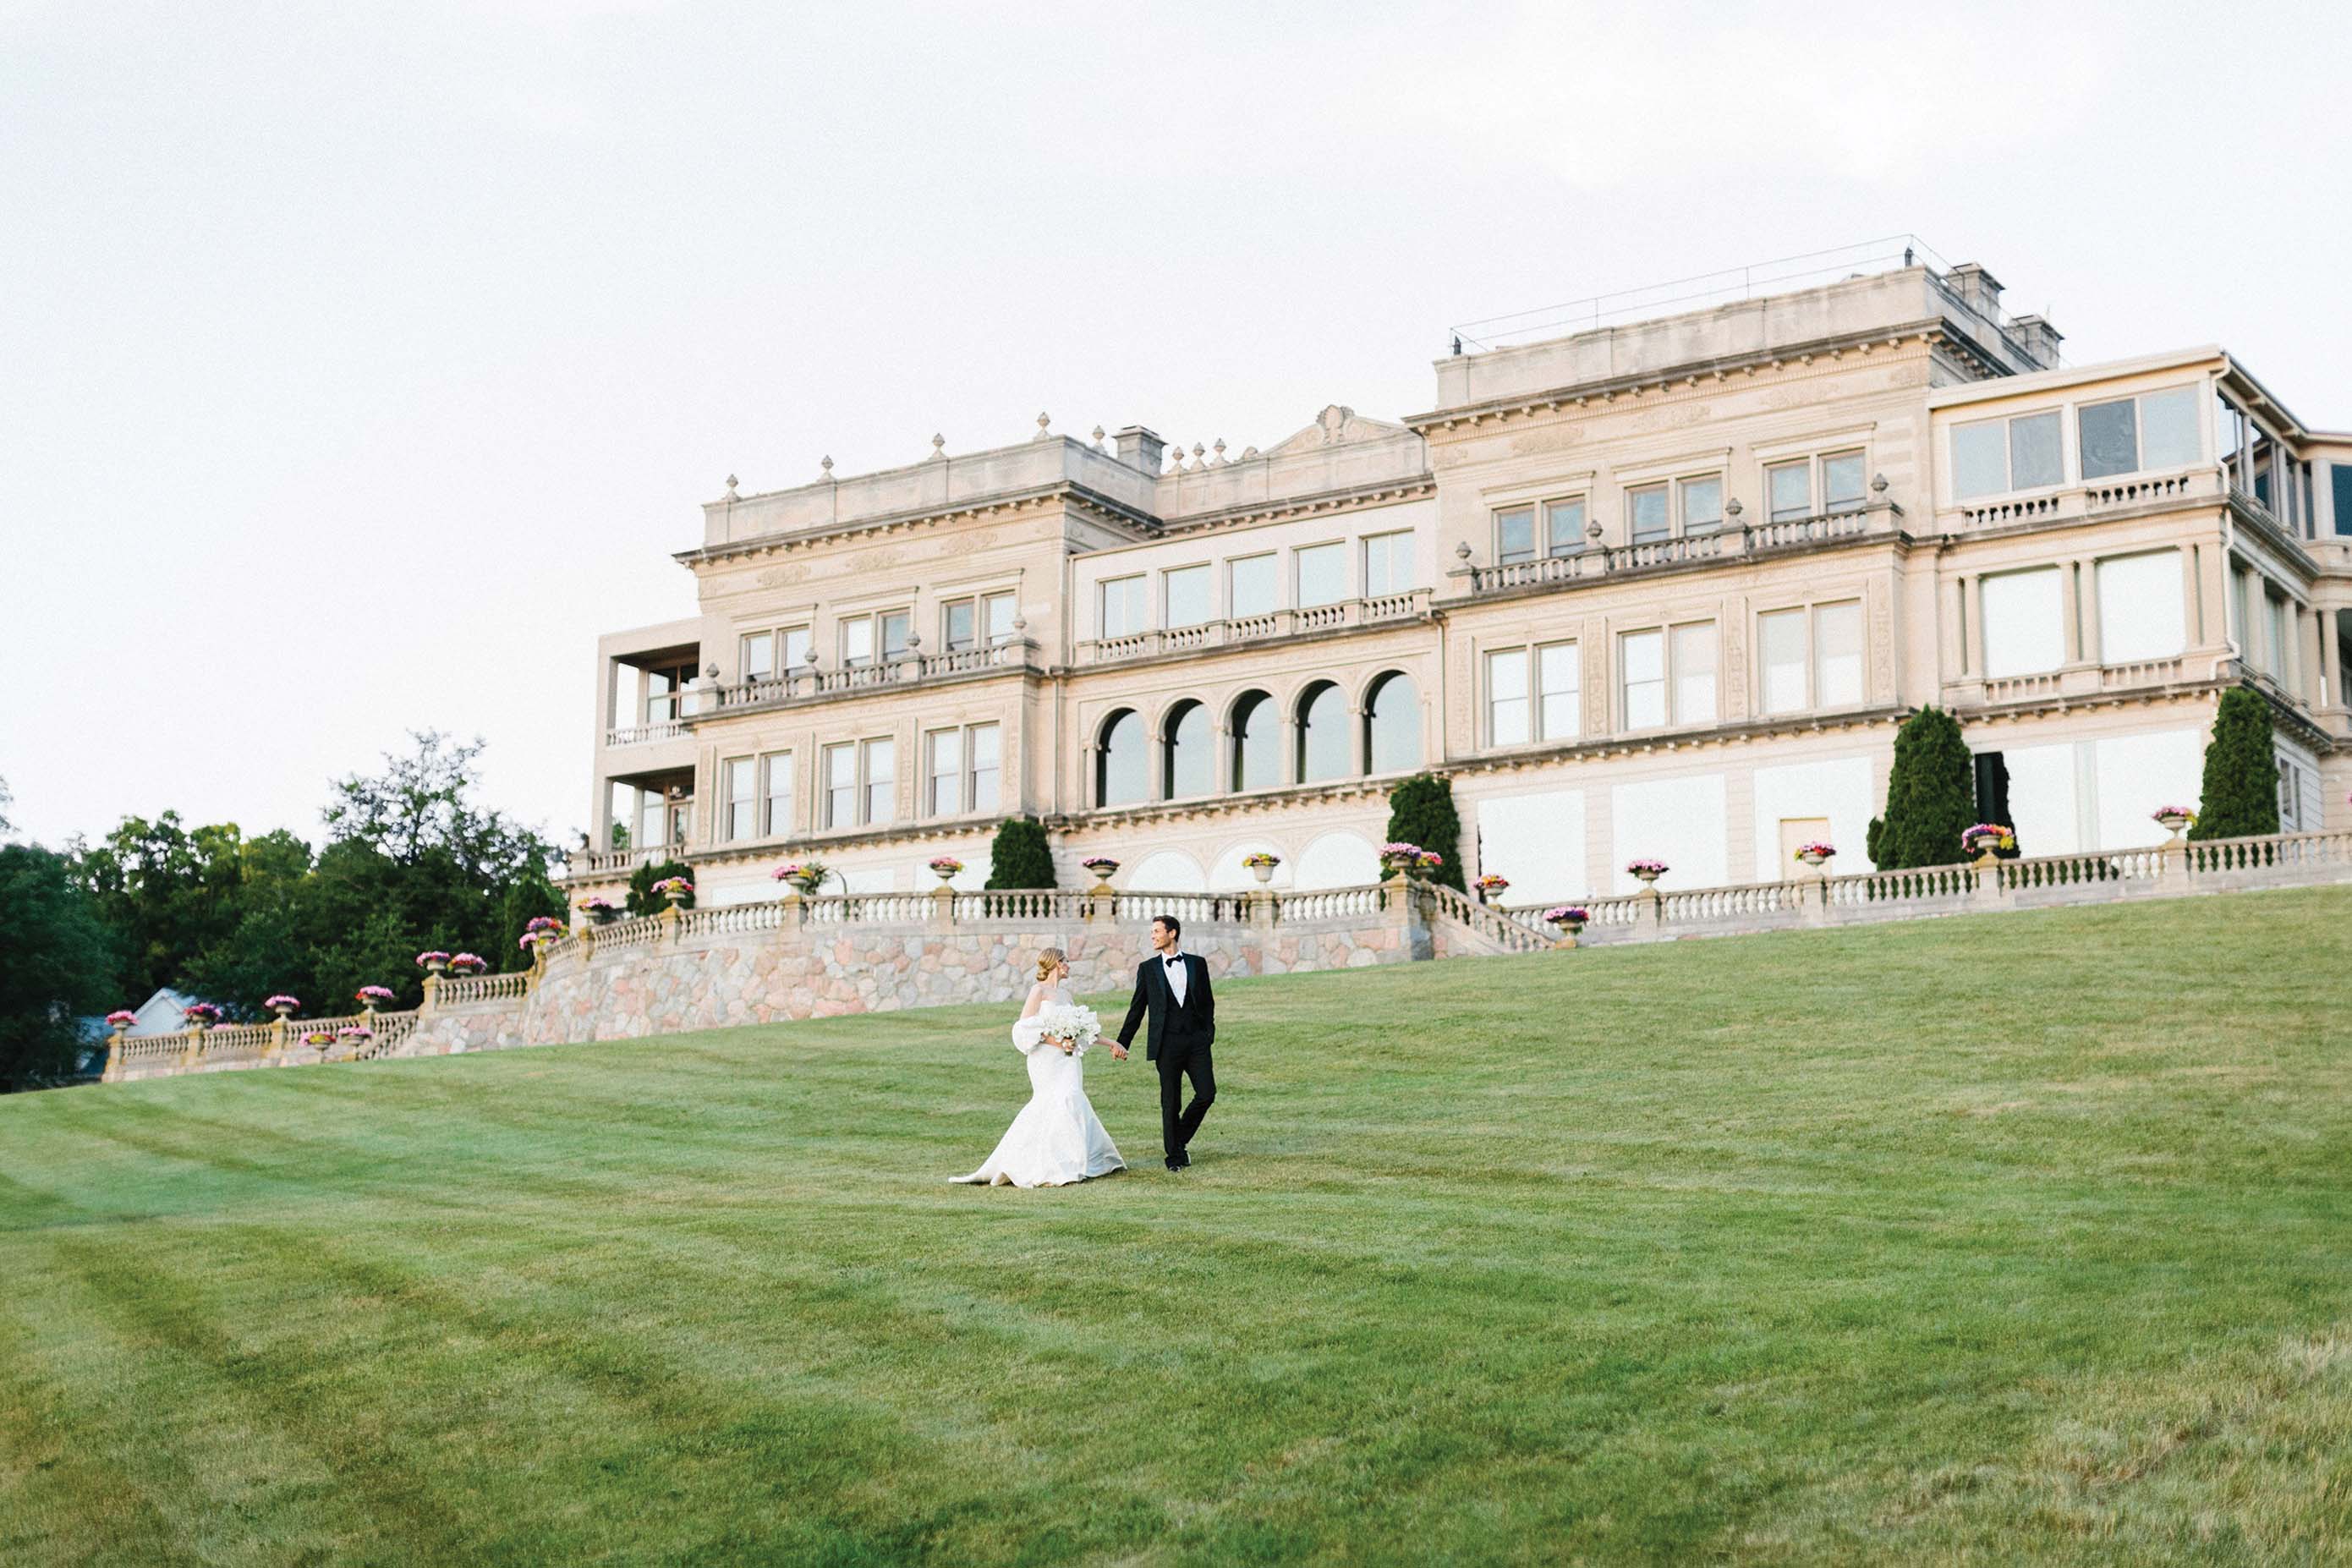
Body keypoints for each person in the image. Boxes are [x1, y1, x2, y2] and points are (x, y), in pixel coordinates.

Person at [950, 948, 1124, 1187]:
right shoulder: (1039, 991)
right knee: (1051, 1102)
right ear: (1057, 964)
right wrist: (1057, 1041)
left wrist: (1111, 1043)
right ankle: (1038, 1163)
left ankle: (1076, 1160)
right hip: (1046, 1059)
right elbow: (1024, 1027)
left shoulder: (1067, 996)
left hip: (1068, 1059)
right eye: (1067, 961)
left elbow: (1083, 1031)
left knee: (1072, 1098)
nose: (1070, 966)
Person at [1111, 913, 1216, 1171]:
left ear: (1172, 933)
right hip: (1166, 1045)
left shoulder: (1197, 964)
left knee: (1206, 1093)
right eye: (1152, 932)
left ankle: (1177, 1140)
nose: (1153, 936)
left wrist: (1207, 1034)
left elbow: (1207, 1002)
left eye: (1157, 931)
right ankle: (1175, 1158)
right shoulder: (1148, 969)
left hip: (1196, 1042)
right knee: (1171, 1101)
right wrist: (1123, 1042)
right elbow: (1137, 1009)